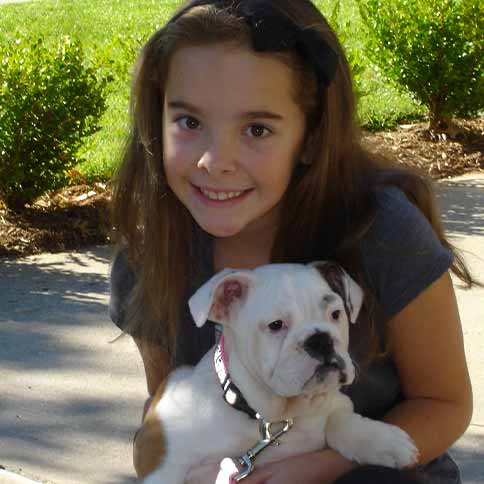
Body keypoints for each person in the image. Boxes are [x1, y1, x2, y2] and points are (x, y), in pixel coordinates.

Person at [108, 0, 477, 482]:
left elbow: (445, 403)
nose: (215, 161)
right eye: (190, 122)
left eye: (256, 129)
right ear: (156, 123)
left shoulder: (381, 230)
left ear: (310, 137)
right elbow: (168, 415)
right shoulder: (151, 253)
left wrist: (322, 466)